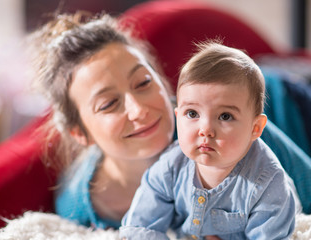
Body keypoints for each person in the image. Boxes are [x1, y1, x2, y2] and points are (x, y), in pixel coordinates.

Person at [27, 12, 311, 232]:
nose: (139, 110)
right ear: (80, 133)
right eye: (109, 104)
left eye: (143, 83)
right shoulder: (79, 206)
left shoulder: (224, 127)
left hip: (287, 102)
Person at [120, 41, 298, 239]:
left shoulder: (268, 184)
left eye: (225, 116)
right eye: (192, 113)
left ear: (255, 128)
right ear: (177, 116)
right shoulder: (170, 167)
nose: (205, 130)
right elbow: (139, 228)